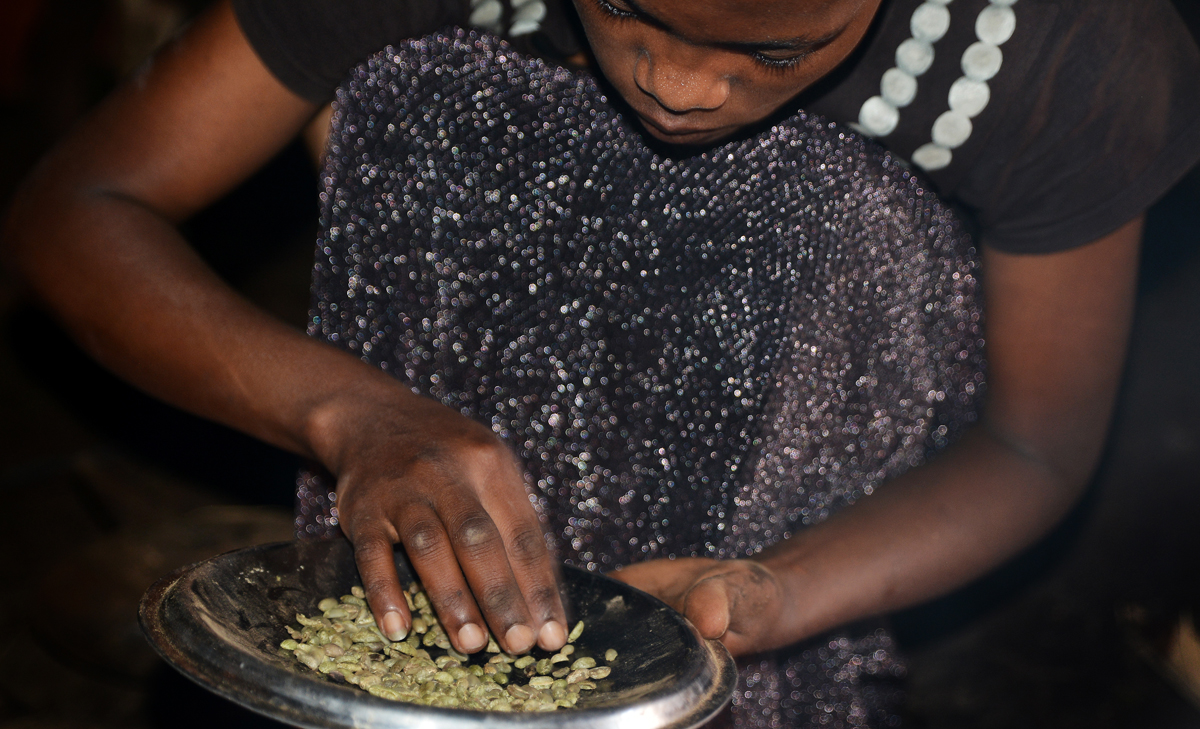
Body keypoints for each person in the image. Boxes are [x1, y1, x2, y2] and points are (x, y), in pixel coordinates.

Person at [2, 0, 1198, 724]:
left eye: (776, 50)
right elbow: (79, 208)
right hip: (406, 571)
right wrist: (350, 415)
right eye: (627, 6)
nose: (677, 83)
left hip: (789, 590)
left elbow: (1033, 445)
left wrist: (776, 592)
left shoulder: (1063, 51)